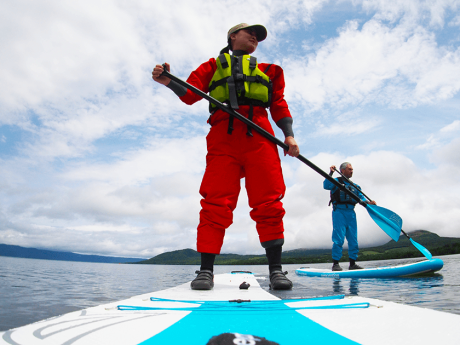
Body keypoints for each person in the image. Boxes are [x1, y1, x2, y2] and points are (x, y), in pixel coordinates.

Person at [152, 23, 299, 290]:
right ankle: (205, 271)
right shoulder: (212, 65)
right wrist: (169, 81)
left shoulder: (271, 71)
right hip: (223, 138)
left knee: (269, 202)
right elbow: (189, 94)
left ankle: (276, 271)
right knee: (215, 201)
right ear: (232, 36)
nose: (255, 37)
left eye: (258, 36)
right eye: (249, 32)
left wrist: (288, 135)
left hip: (261, 138)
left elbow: (278, 104)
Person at [323, 162, 376, 271]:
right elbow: (326, 185)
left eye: (352, 169)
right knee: (338, 238)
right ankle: (336, 264)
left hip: (351, 213)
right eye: (349, 169)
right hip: (339, 212)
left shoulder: (355, 186)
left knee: (353, 239)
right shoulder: (336, 181)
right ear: (342, 170)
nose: (352, 171)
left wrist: (369, 203)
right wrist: (331, 173)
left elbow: (362, 199)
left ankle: (352, 264)